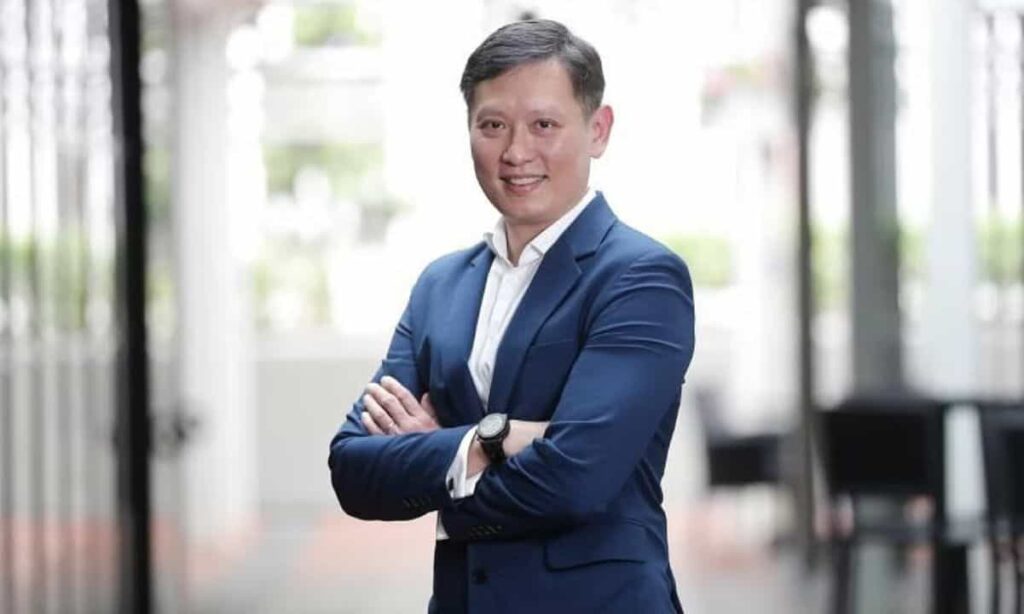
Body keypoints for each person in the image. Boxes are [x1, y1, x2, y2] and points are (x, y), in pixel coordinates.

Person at [328, 18, 695, 613]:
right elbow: (353, 469)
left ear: (598, 129)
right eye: (492, 125)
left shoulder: (640, 277)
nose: (516, 152)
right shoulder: (441, 286)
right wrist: (485, 442)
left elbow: (577, 480)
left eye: (544, 125)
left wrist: (438, 466)